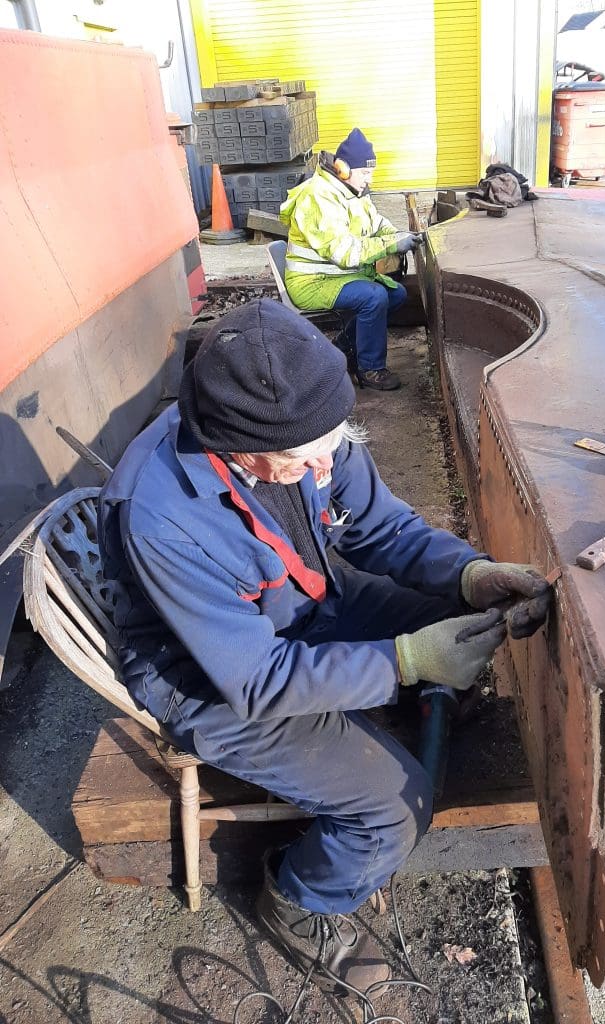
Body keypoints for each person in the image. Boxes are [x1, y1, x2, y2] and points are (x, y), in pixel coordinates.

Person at [98, 299, 551, 997]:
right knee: (394, 813)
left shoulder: (305, 432)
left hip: (298, 607)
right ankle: (299, 898)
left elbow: (380, 528)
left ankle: (420, 691)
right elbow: (255, 680)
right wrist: (406, 661)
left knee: (456, 609)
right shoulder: (161, 515)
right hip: (211, 680)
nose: (325, 460)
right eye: (303, 455)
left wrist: (469, 573)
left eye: (332, 441)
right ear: (234, 445)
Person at [280, 127, 424, 392]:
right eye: (365, 173)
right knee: (374, 297)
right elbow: (345, 252)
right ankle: (370, 369)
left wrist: (398, 235)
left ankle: (344, 347)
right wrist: (390, 244)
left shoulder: (352, 192)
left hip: (336, 276)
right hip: (312, 281)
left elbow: (376, 223)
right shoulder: (318, 197)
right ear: (343, 169)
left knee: (397, 294)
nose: (368, 180)